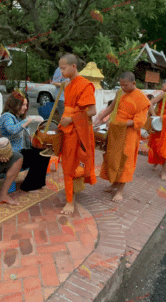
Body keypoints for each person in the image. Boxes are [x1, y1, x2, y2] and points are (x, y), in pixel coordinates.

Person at [94, 72, 150, 203]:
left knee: (125, 161)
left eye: (125, 85)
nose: (123, 87)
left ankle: (120, 190)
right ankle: (114, 184)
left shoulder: (141, 98)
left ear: (134, 83)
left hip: (129, 134)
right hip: (115, 132)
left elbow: (140, 121)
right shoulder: (120, 93)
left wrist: (120, 124)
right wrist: (99, 119)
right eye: (121, 85)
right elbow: (112, 107)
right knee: (113, 158)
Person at [57, 53, 97, 214]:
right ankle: (70, 195)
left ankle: (70, 201)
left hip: (79, 131)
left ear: (74, 66)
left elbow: (92, 111)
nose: (61, 71)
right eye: (60, 68)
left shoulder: (85, 85)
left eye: (63, 68)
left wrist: (72, 119)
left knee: (74, 163)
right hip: (67, 129)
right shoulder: (68, 84)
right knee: (67, 163)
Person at [0, 91, 50, 192]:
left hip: (21, 152)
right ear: (15, 105)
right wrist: (29, 119)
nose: (26, 107)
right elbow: (12, 129)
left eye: (26, 105)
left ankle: (38, 183)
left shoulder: (19, 118)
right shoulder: (6, 116)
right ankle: (28, 186)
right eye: (23, 105)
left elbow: (25, 137)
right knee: (37, 155)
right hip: (10, 155)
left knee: (44, 152)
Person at [52, 54, 69, 120]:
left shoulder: (70, 70)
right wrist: (65, 84)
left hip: (69, 98)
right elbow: (54, 82)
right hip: (61, 98)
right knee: (63, 117)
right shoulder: (59, 70)